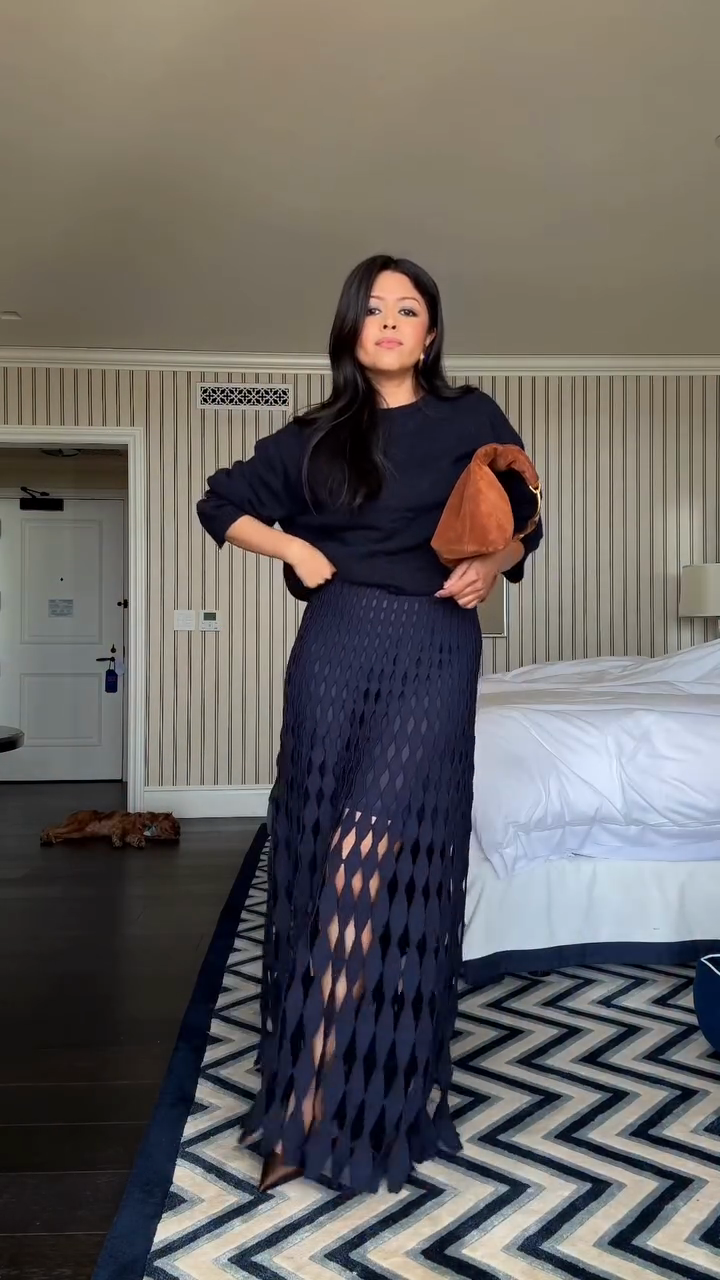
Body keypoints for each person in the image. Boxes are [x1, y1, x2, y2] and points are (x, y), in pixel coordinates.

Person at [197, 254, 543, 1195]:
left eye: (409, 309)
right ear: (352, 330)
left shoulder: (471, 418)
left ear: (429, 335)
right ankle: (318, 1069)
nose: (390, 321)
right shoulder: (316, 435)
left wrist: (494, 563)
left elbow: (525, 521)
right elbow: (219, 502)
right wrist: (293, 547)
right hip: (336, 646)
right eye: (375, 308)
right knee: (319, 861)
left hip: (433, 645)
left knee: (364, 856)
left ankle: (311, 1099)